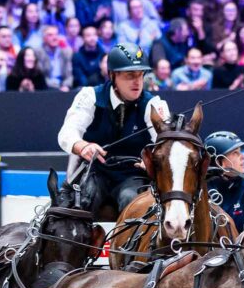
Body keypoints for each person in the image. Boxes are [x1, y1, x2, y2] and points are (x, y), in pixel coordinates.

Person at [56, 42, 171, 216]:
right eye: (130, 75)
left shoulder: (154, 104)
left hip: (133, 176)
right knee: (84, 199)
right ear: (112, 75)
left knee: (131, 199)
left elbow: (165, 143)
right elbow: (67, 133)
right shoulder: (89, 96)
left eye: (141, 75)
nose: (137, 82)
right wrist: (83, 146)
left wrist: (153, 160)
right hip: (96, 173)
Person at [204, 130, 244, 233]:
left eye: (240, 151)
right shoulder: (200, 185)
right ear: (219, 161)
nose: (243, 157)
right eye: (235, 153)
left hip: (242, 248)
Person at [35, 24, 74, 90]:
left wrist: (66, 86)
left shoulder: (66, 52)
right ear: (44, 38)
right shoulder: (38, 53)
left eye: (56, 34)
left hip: (64, 88)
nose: (54, 37)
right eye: (50, 35)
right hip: (46, 88)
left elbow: (69, 75)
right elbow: (40, 76)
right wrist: (57, 87)